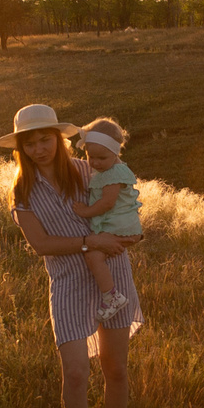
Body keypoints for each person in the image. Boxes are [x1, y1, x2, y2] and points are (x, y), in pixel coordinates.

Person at [0, 103, 140, 408]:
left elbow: (124, 198)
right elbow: (41, 244)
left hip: (112, 275)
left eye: (45, 139)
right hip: (67, 283)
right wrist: (87, 241)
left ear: (60, 139)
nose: (39, 149)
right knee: (75, 373)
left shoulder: (86, 169)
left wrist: (127, 234)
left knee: (116, 369)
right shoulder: (22, 191)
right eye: (29, 144)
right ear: (21, 149)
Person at [68, 117, 144, 321]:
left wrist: (85, 211)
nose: (94, 163)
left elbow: (107, 203)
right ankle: (110, 294)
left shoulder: (114, 173)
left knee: (93, 255)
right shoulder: (107, 169)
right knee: (95, 255)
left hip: (122, 227)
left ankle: (111, 296)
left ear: (115, 153)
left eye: (101, 157)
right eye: (89, 156)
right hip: (119, 226)